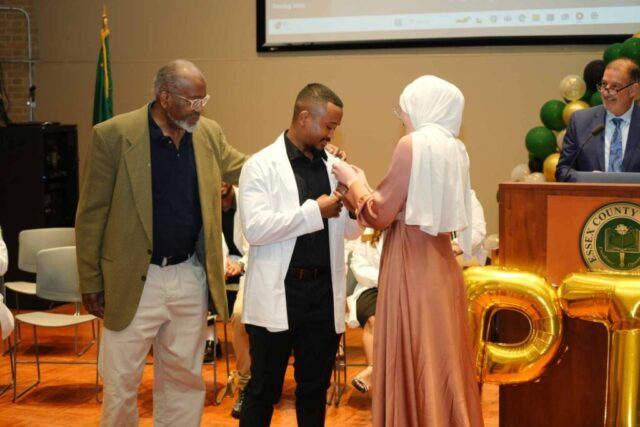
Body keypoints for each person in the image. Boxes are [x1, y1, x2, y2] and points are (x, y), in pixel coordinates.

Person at [75, 59, 249, 426]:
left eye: (204, 100)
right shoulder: (113, 135)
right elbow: (91, 215)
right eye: (193, 101)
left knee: (184, 380)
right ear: (165, 98)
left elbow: (248, 168)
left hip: (188, 275)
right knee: (121, 383)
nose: (200, 109)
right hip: (133, 278)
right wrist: (90, 280)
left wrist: (308, 157)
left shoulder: (208, 133)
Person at [333, 75, 484, 427]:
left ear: (421, 106)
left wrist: (352, 181)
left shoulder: (411, 144)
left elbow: (379, 213)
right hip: (442, 263)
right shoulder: (455, 148)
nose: (402, 118)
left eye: (403, 110)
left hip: (410, 260)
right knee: (441, 354)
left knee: (411, 350)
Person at [237, 83, 362, 426]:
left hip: (322, 294)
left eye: (335, 128)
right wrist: (314, 212)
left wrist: (351, 201)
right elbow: (256, 229)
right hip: (280, 290)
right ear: (304, 117)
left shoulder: (333, 167)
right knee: (263, 389)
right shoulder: (260, 165)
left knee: (314, 389)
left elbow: (350, 232)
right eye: (329, 126)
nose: (332, 134)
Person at [556, 57, 640, 182]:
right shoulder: (579, 122)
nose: (606, 93)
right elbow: (563, 171)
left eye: (615, 87)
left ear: (633, 90)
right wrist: (590, 179)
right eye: (604, 84)